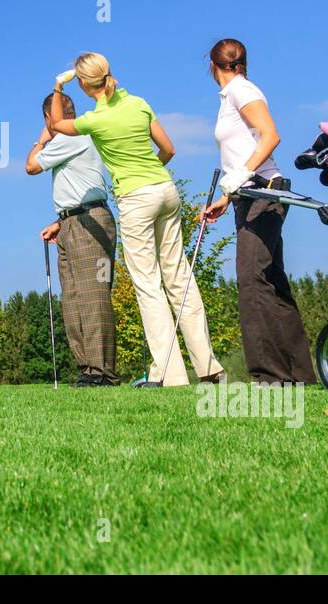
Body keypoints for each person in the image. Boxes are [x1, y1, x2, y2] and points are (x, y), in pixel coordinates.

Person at [47, 53, 222, 387]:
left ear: (84, 84)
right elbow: (168, 149)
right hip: (165, 190)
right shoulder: (139, 103)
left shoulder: (94, 120)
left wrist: (58, 85)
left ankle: (170, 375)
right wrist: (151, 175)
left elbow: (57, 125)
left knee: (148, 285)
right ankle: (208, 367)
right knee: (179, 276)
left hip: (136, 199)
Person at [201, 38, 317, 385]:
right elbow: (245, 147)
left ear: (212, 65)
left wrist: (237, 177)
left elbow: (270, 136)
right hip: (249, 194)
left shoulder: (242, 90)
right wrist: (226, 196)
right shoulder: (232, 95)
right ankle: (298, 374)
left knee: (252, 281)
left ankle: (269, 375)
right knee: (272, 281)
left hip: (262, 194)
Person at [26, 91, 118, 386]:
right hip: (72, 222)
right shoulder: (73, 140)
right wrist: (59, 223)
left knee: (94, 296)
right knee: (73, 298)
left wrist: (41, 140)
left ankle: (102, 371)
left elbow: (32, 166)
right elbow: (78, 185)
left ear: (49, 117)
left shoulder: (72, 137)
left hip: (91, 223)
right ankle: (88, 368)